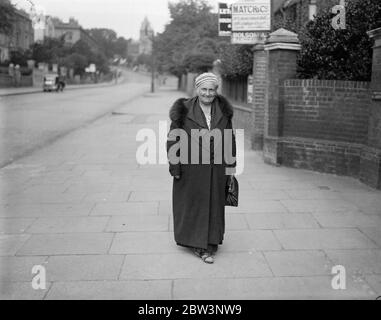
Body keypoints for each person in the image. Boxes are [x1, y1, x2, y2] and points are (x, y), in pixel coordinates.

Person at [166, 72, 236, 264]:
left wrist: (230, 168)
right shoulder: (183, 109)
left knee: (213, 205)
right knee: (194, 205)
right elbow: (173, 139)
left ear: (216, 91)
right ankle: (199, 245)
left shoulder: (223, 110)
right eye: (204, 89)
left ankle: (210, 242)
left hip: (216, 169)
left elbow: (230, 139)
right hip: (191, 169)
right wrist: (175, 166)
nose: (207, 94)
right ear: (197, 89)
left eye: (211, 90)